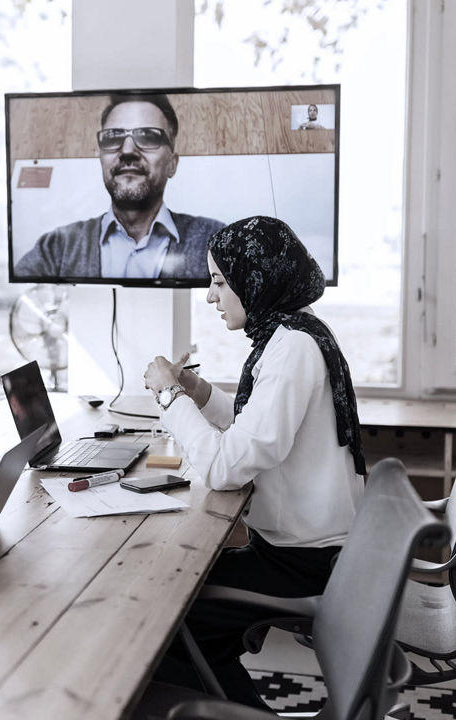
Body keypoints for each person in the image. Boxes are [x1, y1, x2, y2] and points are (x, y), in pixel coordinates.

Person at [142, 215, 366, 708]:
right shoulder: (292, 334)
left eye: (219, 281)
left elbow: (224, 467)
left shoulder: (291, 350)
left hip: (304, 564)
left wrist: (169, 395)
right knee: (187, 614)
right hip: (307, 552)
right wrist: (198, 393)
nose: (210, 296)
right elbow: (257, 430)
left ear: (255, 279)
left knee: (164, 623)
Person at [13, 94, 224, 281]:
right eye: (113, 137)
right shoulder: (57, 248)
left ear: (172, 164)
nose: (128, 150)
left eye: (148, 136)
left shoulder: (215, 242)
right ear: (101, 159)